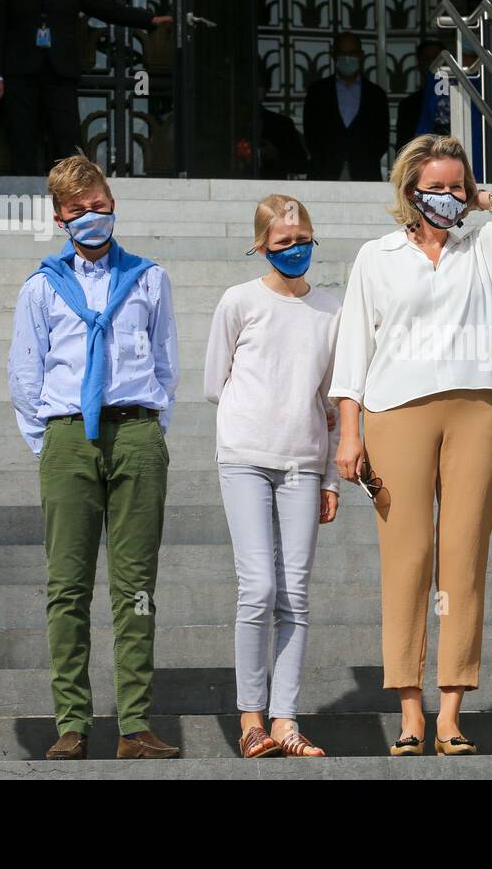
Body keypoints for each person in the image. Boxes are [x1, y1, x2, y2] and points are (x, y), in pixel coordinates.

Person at [330, 134, 492, 756]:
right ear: (410, 192)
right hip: (394, 411)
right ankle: (409, 711)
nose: (450, 197)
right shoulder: (376, 257)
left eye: (459, 185)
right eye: (438, 187)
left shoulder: (481, 249)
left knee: (463, 558)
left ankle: (451, 712)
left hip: (475, 409)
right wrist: (349, 434)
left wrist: (476, 200)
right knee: (407, 558)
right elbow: (353, 350)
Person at [7, 154, 180, 761]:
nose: (91, 216)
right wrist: (49, 439)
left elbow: (164, 362)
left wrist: (151, 426)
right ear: (60, 218)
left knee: (136, 585)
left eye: (98, 204)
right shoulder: (41, 286)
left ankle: (135, 724)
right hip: (66, 438)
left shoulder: (150, 278)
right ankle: (72, 722)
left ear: (113, 203)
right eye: (77, 210)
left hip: (134, 430)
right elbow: (26, 372)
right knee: (67, 585)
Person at [203, 194, 341, 759]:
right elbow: (216, 381)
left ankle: (286, 720)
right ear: (261, 244)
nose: (295, 249)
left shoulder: (333, 307)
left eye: (302, 238)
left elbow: (336, 399)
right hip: (244, 456)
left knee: (296, 594)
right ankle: (251, 719)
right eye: (283, 241)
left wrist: (332, 476)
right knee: (257, 587)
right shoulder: (239, 301)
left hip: (305, 463)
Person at [0, 0, 173, 175]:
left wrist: (148, 20)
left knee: (66, 136)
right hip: (21, 73)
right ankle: (25, 194)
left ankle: (70, 191)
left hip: (60, 72)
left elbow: (105, 8)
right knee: (22, 136)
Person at [302, 32, 390, 181]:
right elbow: (311, 135)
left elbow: (382, 139)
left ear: (361, 55)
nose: (347, 58)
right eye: (342, 53)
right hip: (324, 174)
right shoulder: (317, 91)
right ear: (333, 55)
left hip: (365, 174)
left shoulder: (376, 94)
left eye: (352, 53)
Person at [395, 38, 447, 153]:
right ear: (419, 63)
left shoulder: (460, 100)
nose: (432, 63)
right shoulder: (408, 106)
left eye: (437, 59)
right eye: (427, 59)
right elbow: (403, 149)